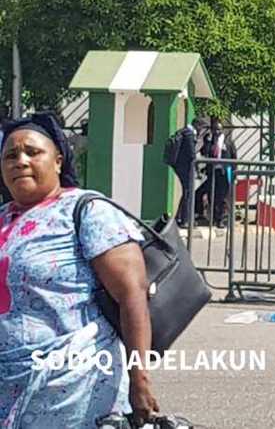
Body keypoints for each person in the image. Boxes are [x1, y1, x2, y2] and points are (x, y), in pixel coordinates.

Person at [0, 113, 160, 426]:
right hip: (9, 391)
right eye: (10, 155)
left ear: (58, 161)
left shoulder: (87, 210)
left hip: (75, 389)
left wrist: (139, 378)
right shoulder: (3, 218)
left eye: (33, 152)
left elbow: (132, 295)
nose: (20, 161)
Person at [195, 119, 238, 228]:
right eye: (214, 130)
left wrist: (234, 174)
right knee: (210, 196)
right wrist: (208, 141)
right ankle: (209, 217)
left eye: (218, 129)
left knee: (220, 197)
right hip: (212, 173)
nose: (216, 132)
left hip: (224, 173)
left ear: (222, 130)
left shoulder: (228, 142)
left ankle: (219, 220)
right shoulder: (209, 140)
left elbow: (234, 158)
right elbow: (205, 153)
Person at [170, 118, 202, 227]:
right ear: (196, 125)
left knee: (187, 192)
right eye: (201, 126)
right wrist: (197, 169)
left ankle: (180, 217)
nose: (201, 129)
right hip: (185, 167)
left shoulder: (184, 131)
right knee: (188, 192)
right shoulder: (189, 134)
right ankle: (185, 220)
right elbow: (192, 154)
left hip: (181, 166)